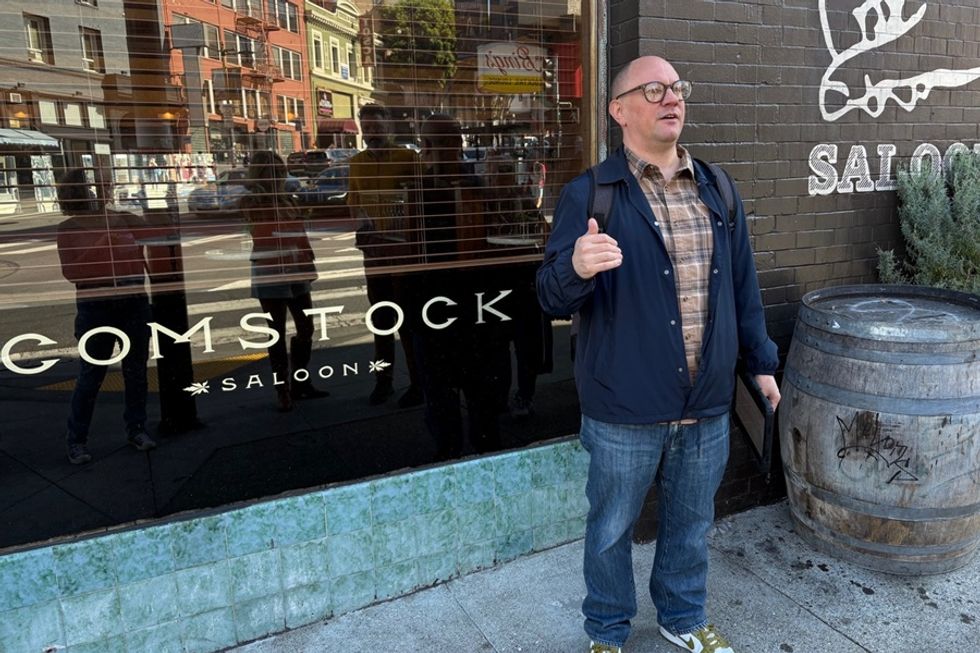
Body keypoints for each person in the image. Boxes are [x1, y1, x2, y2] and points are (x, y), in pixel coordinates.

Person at [536, 56, 781, 653]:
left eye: (676, 88)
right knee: (611, 529)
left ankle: (682, 616)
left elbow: (742, 286)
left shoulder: (718, 188)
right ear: (619, 110)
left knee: (692, 525)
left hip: (707, 400)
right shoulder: (591, 192)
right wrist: (574, 267)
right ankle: (608, 631)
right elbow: (547, 295)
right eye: (653, 90)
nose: (671, 98)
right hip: (624, 404)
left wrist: (762, 361)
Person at [56, 167, 156, 464]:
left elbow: (154, 232)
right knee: (92, 374)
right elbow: (72, 272)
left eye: (97, 188)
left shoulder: (119, 218)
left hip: (132, 299)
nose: (94, 193)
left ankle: (136, 428)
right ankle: (76, 439)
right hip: (96, 305)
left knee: (136, 371)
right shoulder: (69, 229)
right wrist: (104, 243)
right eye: (88, 188)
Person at [347, 104, 424, 407]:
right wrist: (361, 224)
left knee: (407, 319)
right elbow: (353, 201)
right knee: (380, 318)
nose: (372, 133)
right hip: (375, 251)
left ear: (389, 128)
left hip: (403, 251)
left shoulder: (408, 158)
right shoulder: (356, 162)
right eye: (367, 127)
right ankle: (384, 381)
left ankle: (418, 382)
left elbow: (421, 198)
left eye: (377, 127)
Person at [240, 150, 328, 412]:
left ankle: (300, 379)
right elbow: (253, 223)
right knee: (275, 332)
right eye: (271, 172)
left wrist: (308, 259)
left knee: (306, 327)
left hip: (296, 266)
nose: (278, 177)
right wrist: (260, 191)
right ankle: (283, 390)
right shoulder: (253, 201)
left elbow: (299, 231)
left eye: (279, 172)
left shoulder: (289, 199)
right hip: (269, 268)